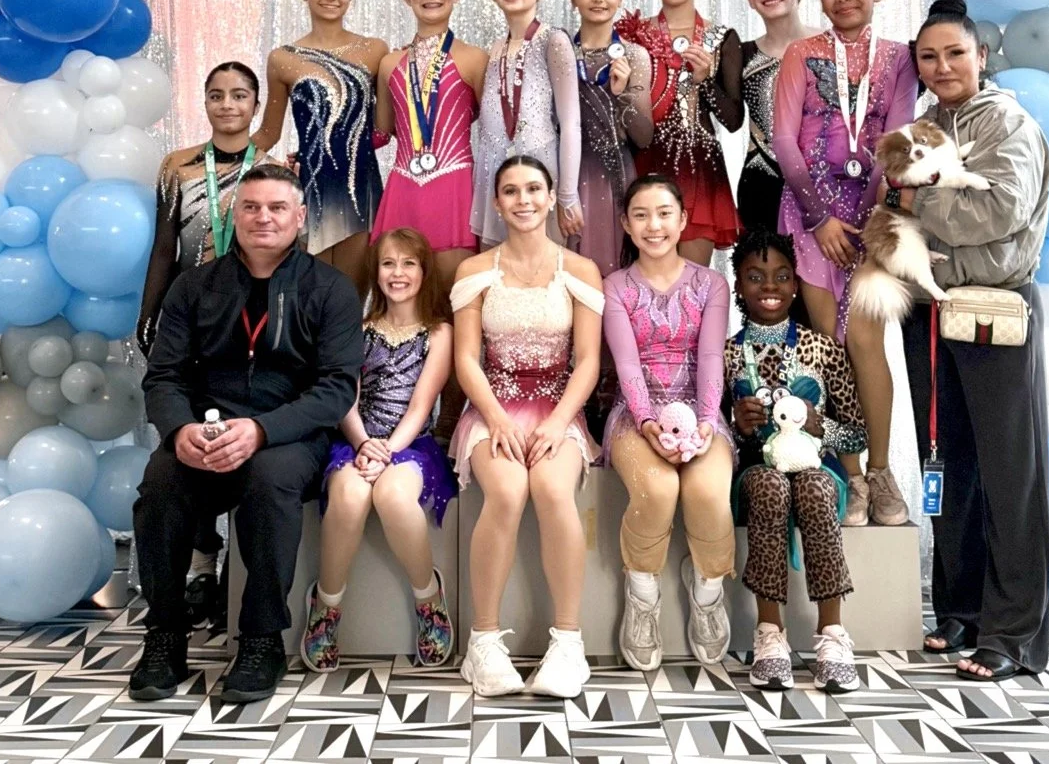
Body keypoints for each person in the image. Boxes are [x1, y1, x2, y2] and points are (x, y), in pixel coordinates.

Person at [131, 164, 363, 704]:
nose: (264, 218)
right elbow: (163, 376)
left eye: (277, 208)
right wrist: (180, 428)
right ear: (234, 214)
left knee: (268, 482)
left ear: (300, 217)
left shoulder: (330, 289)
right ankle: (165, 635)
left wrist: (261, 431)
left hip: (289, 437)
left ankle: (261, 640)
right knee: (161, 482)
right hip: (204, 433)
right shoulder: (194, 287)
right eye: (252, 207)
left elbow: (334, 389)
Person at [897, 0, 1049, 681]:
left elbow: (995, 210)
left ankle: (1013, 632)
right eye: (929, 56)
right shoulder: (924, 125)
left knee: (1008, 472)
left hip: (995, 310)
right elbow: (895, 203)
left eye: (955, 52)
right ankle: (960, 608)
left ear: (980, 55)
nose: (943, 65)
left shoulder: (1009, 122)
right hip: (930, 309)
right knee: (947, 460)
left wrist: (919, 200)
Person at [772, 0, 917, 527]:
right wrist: (817, 217)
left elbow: (899, 136)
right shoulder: (800, 55)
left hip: (873, 217)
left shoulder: (900, 58)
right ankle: (852, 478)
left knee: (865, 340)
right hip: (811, 219)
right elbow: (785, 142)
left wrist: (876, 219)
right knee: (829, 348)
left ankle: (882, 473)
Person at [449, 156, 602, 699]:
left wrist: (561, 422)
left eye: (534, 188)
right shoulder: (475, 272)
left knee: (552, 489)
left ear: (550, 194)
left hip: (557, 409)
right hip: (493, 407)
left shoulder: (579, 271)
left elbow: (587, 361)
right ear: (496, 202)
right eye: (510, 191)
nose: (523, 200)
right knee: (509, 490)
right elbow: (467, 360)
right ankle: (484, 643)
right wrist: (493, 418)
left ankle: (568, 642)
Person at [136, 60, 270, 626]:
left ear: (256, 105)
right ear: (205, 102)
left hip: (246, 323)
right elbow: (164, 245)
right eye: (216, 95)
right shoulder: (178, 167)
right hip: (187, 316)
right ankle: (198, 564)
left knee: (236, 437)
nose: (227, 105)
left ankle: (238, 573)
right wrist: (149, 314)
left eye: (240, 95)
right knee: (187, 437)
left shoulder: (272, 166)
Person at [302, 228, 458, 673]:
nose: (398, 273)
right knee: (349, 497)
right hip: (355, 439)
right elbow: (343, 397)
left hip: (409, 444)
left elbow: (422, 404)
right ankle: (326, 606)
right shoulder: (358, 328)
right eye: (389, 263)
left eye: (408, 263)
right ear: (376, 271)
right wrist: (361, 442)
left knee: (392, 496)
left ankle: (428, 597)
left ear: (424, 270)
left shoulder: (438, 332)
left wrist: (387, 449)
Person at [603, 175, 735, 672]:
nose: (653, 225)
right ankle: (642, 597)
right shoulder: (614, 286)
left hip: (701, 412)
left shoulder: (711, 284)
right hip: (635, 417)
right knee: (658, 491)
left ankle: (707, 591)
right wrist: (648, 423)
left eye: (663, 214)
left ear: (682, 221)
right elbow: (627, 364)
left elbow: (710, 360)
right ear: (625, 224)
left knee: (706, 492)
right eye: (640, 215)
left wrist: (704, 424)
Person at [726, 227, 866, 693]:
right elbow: (710, 431)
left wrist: (816, 423)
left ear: (796, 284)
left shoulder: (823, 348)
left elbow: (856, 433)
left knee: (813, 485)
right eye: (756, 276)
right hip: (755, 471)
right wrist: (736, 425)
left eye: (782, 276)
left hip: (816, 467)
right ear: (738, 286)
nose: (770, 287)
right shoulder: (728, 353)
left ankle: (832, 633)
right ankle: (769, 634)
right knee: (770, 484)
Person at [255, 0, 387, 290]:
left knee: (351, 300)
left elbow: (387, 125)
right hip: (310, 190)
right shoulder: (283, 58)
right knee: (308, 300)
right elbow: (268, 133)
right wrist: (217, 155)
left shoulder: (375, 51)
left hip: (361, 189)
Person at [616, 0, 744, 266]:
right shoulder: (633, 35)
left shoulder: (722, 37)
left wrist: (705, 83)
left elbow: (733, 120)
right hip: (644, 162)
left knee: (691, 283)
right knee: (644, 280)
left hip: (698, 167)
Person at [374, 0, 487, 292]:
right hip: (403, 187)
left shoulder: (475, 58)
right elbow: (381, 133)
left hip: (455, 186)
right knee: (401, 299)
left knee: (455, 300)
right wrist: (316, 152)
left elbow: (493, 126)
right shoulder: (389, 63)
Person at [469, 0, 582, 247]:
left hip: (541, 168)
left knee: (544, 268)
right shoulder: (494, 50)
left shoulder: (553, 41)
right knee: (498, 271)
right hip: (495, 171)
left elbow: (571, 123)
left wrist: (567, 194)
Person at [568, 0, 654, 279]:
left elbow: (643, 137)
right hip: (570, 174)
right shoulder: (559, 50)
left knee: (615, 268)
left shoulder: (634, 55)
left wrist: (622, 96)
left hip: (617, 174)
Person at [738, 0, 817, 236]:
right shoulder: (741, 53)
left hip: (825, 182)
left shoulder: (831, 46)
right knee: (767, 277)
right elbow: (730, 118)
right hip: (762, 183)